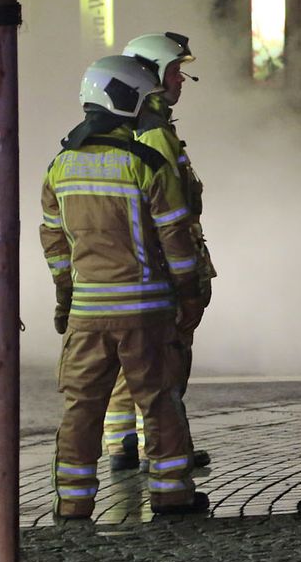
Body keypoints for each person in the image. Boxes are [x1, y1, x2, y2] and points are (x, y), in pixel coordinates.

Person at [41, 54, 208, 519]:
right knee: (159, 403)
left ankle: (73, 501)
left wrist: (65, 298)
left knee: (81, 408)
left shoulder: (60, 167)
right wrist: (189, 293)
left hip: (86, 316)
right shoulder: (146, 164)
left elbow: (55, 243)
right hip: (145, 313)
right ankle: (172, 493)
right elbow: (176, 240)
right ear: (128, 100)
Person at [100, 32, 215, 472]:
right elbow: (169, 209)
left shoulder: (136, 126)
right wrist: (185, 276)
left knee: (132, 357)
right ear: (149, 74)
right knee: (166, 358)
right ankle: (163, 447)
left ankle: (123, 442)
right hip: (164, 264)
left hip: (141, 263)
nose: (181, 80)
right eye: (174, 71)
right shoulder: (153, 133)